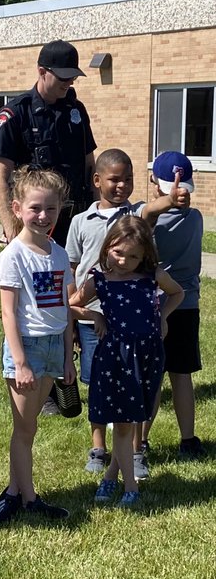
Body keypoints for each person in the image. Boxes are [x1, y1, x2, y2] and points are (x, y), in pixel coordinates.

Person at [65, 148, 188, 478]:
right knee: (98, 385)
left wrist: (172, 197)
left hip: (136, 327)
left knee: (137, 387)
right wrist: (84, 320)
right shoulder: (80, 221)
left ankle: (135, 450)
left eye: (129, 180)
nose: (122, 185)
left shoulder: (134, 214)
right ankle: (98, 446)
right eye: (114, 179)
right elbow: (72, 271)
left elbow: (154, 207)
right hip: (96, 317)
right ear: (97, 181)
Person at [70, 216, 183, 507]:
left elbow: (177, 293)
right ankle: (130, 488)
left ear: (145, 255)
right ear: (108, 246)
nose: (124, 260)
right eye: (118, 252)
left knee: (135, 416)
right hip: (116, 357)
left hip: (148, 355)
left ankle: (110, 477)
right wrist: (95, 316)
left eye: (133, 256)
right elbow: (71, 305)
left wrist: (162, 316)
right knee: (121, 424)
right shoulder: (100, 280)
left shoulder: (151, 276)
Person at [0, 167, 76, 525]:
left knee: (30, 429)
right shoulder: (13, 255)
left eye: (51, 209)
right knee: (24, 429)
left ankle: (13, 493)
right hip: (25, 347)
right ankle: (28, 498)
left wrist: (69, 356)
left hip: (54, 345)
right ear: (17, 207)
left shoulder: (58, 253)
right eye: (35, 208)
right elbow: (8, 314)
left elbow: (65, 306)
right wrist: (21, 362)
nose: (43, 217)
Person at [0, 40, 97, 246]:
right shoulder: (16, 114)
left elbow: (89, 165)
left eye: (73, 76)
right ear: (42, 71)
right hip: (34, 222)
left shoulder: (76, 110)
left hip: (75, 222)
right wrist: (12, 233)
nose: (69, 82)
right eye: (63, 76)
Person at [142, 151, 205, 459]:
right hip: (188, 305)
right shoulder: (196, 217)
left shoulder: (149, 220)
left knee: (153, 376)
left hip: (157, 305)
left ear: (156, 183)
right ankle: (188, 440)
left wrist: (163, 201)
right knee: (182, 376)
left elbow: (146, 214)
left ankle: (140, 441)